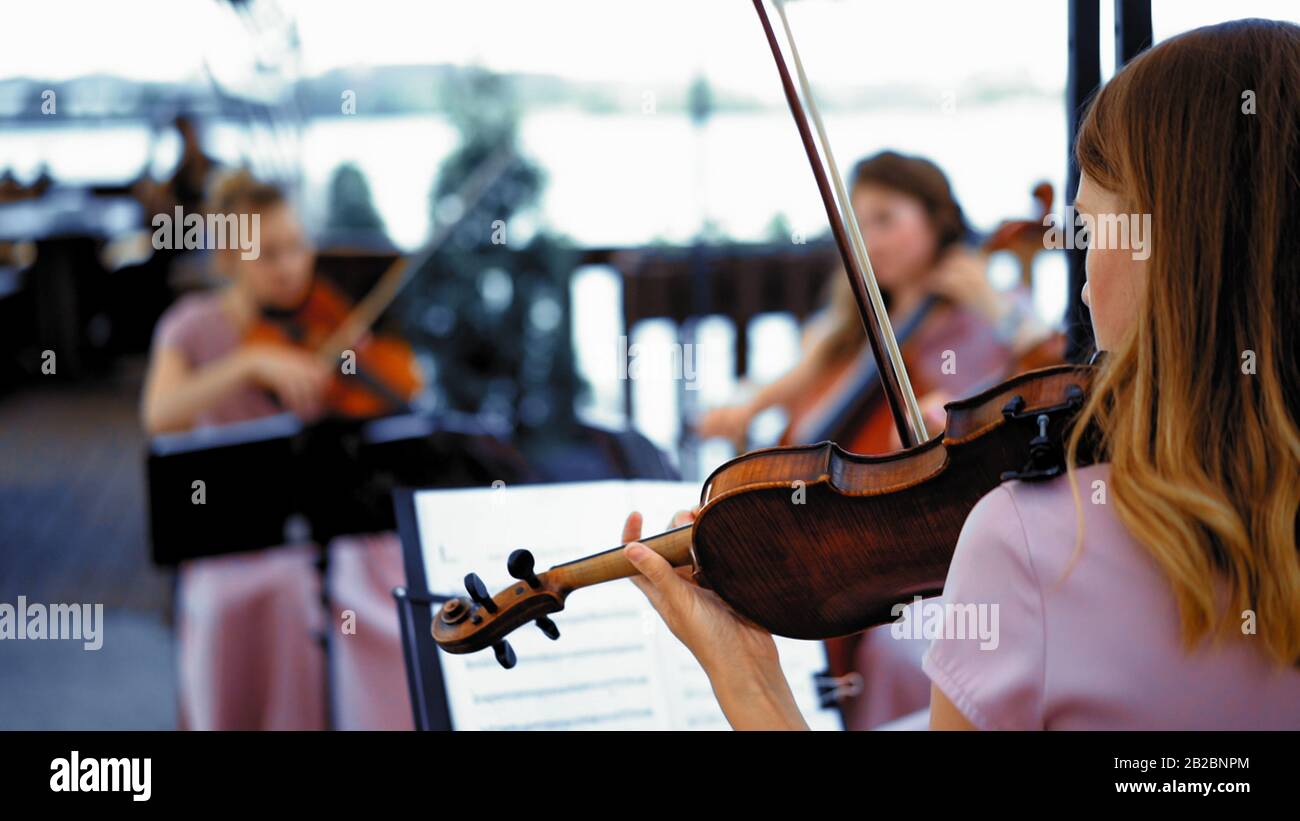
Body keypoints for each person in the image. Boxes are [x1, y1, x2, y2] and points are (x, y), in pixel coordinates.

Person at [621, 18, 1300, 730]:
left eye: (1093, 230)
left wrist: (752, 683)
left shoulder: (1035, 546)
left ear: (1172, 255)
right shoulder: (864, 322)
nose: (1085, 290)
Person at [141, 170, 410, 729]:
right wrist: (246, 363)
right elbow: (160, 416)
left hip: (328, 519)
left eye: (296, 248)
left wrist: (357, 373)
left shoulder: (322, 323)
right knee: (277, 595)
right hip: (232, 531)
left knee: (390, 590)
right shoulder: (192, 326)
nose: (289, 268)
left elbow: (397, 401)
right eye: (267, 255)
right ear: (230, 261)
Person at [695, 150, 1050, 454]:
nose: (870, 243)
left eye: (885, 219)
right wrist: (746, 408)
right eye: (859, 226)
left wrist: (991, 304)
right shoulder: (856, 326)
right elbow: (801, 377)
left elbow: (1050, 373)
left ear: (936, 220)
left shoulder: (994, 308)